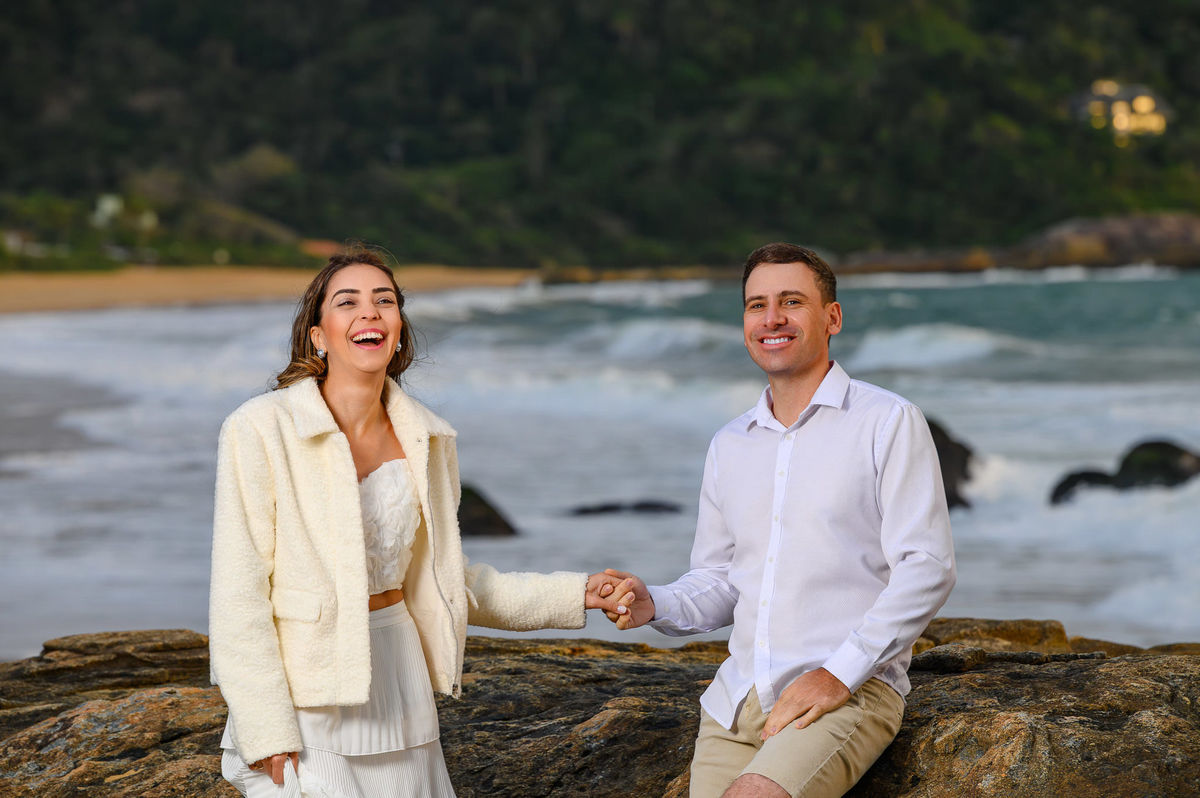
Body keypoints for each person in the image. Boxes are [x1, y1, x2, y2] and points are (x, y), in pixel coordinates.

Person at [209, 246, 634, 797]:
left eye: (384, 301)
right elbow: (238, 595)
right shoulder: (261, 428)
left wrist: (579, 594)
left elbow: (446, 584)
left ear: (400, 328)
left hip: (400, 684)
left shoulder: (427, 439)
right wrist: (267, 730)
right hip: (307, 695)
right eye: (348, 302)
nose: (370, 313)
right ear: (319, 334)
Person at [604, 243, 956, 798]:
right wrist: (655, 604)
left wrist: (839, 673)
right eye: (756, 305)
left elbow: (928, 566)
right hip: (735, 701)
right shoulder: (730, 444)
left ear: (831, 317)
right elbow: (721, 581)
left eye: (792, 301)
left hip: (847, 692)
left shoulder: (888, 421)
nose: (772, 319)